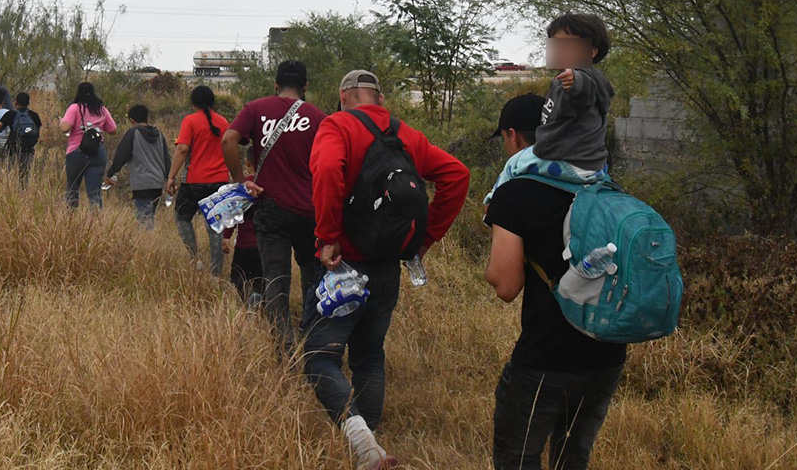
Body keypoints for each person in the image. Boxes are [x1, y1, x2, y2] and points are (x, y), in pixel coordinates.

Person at [306, 70, 470, 470]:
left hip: (343, 264)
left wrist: (328, 235)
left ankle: (364, 444)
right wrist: (424, 241)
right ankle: (371, 441)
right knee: (369, 353)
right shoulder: (407, 136)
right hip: (386, 265)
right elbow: (457, 175)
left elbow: (327, 170)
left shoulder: (337, 125)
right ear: (379, 98)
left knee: (319, 356)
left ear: (344, 97)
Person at [484, 92, 626, 470]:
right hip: (607, 354)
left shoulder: (514, 192)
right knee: (572, 459)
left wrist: (490, 268)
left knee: (517, 458)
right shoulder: (601, 184)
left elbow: (506, 286)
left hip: (546, 359)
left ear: (513, 136)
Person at [222, 59, 325, 350]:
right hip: (310, 211)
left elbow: (229, 140)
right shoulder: (318, 117)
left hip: (271, 208)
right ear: (305, 87)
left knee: (275, 279)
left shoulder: (255, 109)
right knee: (311, 276)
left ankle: (284, 343)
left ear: (276, 85)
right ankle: (313, 339)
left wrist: (241, 179)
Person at [485, 13, 614, 208]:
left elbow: (582, 91)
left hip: (567, 160)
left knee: (514, 164)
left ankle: (492, 204)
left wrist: (575, 80)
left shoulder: (583, 79)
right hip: (587, 163)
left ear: (592, 52)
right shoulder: (564, 80)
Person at [166, 86, 229, 276]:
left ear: (193, 103)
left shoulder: (190, 121)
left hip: (194, 181)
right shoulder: (223, 122)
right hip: (219, 181)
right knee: (215, 225)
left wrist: (171, 176)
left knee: (182, 217)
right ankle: (216, 274)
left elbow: (182, 149)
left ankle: (195, 260)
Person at [106, 104, 171, 229]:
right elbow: (166, 159)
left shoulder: (133, 133)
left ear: (131, 120)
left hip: (142, 183)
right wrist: (170, 178)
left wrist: (110, 173)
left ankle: (147, 246)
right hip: (158, 183)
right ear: (147, 118)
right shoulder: (159, 134)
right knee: (149, 216)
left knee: (144, 222)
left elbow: (121, 156)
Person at [60, 82, 118, 208]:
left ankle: (70, 219)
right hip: (97, 152)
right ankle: (96, 221)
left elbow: (65, 128)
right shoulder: (101, 109)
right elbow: (113, 130)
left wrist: (61, 122)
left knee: (72, 188)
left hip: (76, 151)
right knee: (94, 193)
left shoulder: (75, 108)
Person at [0, 91, 41, 187]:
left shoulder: (11, 114)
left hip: (12, 149)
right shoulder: (34, 115)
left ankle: (11, 192)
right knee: (25, 175)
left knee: (11, 173)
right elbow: (37, 133)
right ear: (28, 103)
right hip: (28, 149)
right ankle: (23, 193)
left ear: (16, 102)